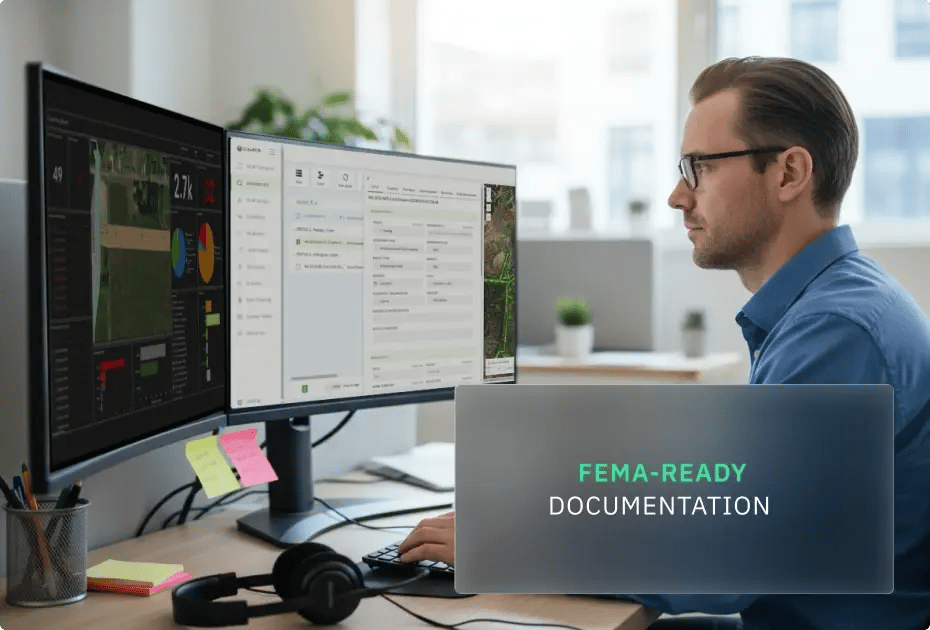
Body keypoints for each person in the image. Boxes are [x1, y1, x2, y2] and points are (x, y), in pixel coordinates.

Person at [397, 56, 930, 630]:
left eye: (699, 167)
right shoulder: (832, 307)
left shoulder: (840, 332)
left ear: (789, 174)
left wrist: (515, 540)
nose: (678, 196)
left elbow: (731, 558)